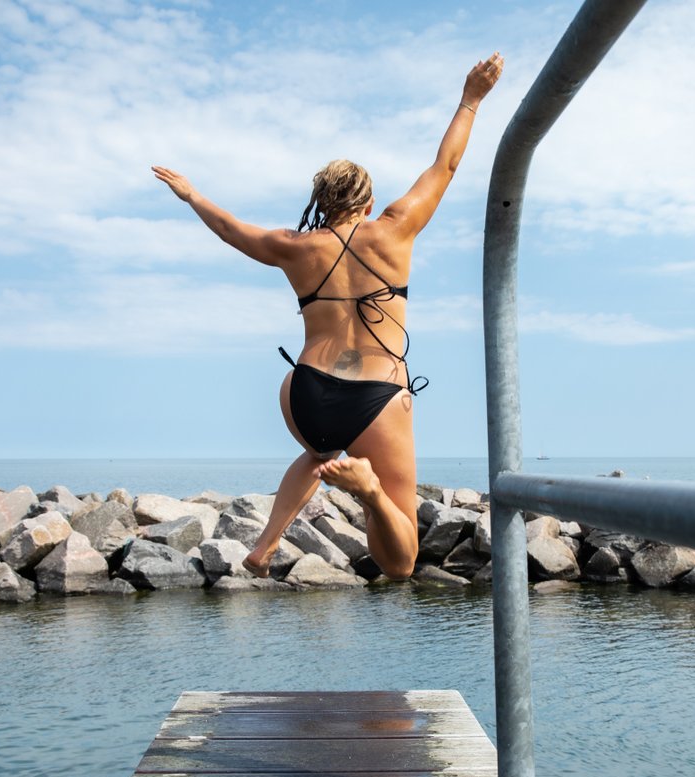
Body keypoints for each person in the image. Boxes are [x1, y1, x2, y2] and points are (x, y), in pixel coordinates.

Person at [153, 52, 503, 580]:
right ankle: (366, 491)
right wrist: (471, 99)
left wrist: (190, 193)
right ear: (368, 202)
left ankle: (265, 546)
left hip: (306, 389)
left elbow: (228, 228)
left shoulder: (293, 247)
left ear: (319, 201)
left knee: (321, 454)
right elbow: (445, 166)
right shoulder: (394, 228)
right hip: (377, 396)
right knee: (402, 562)